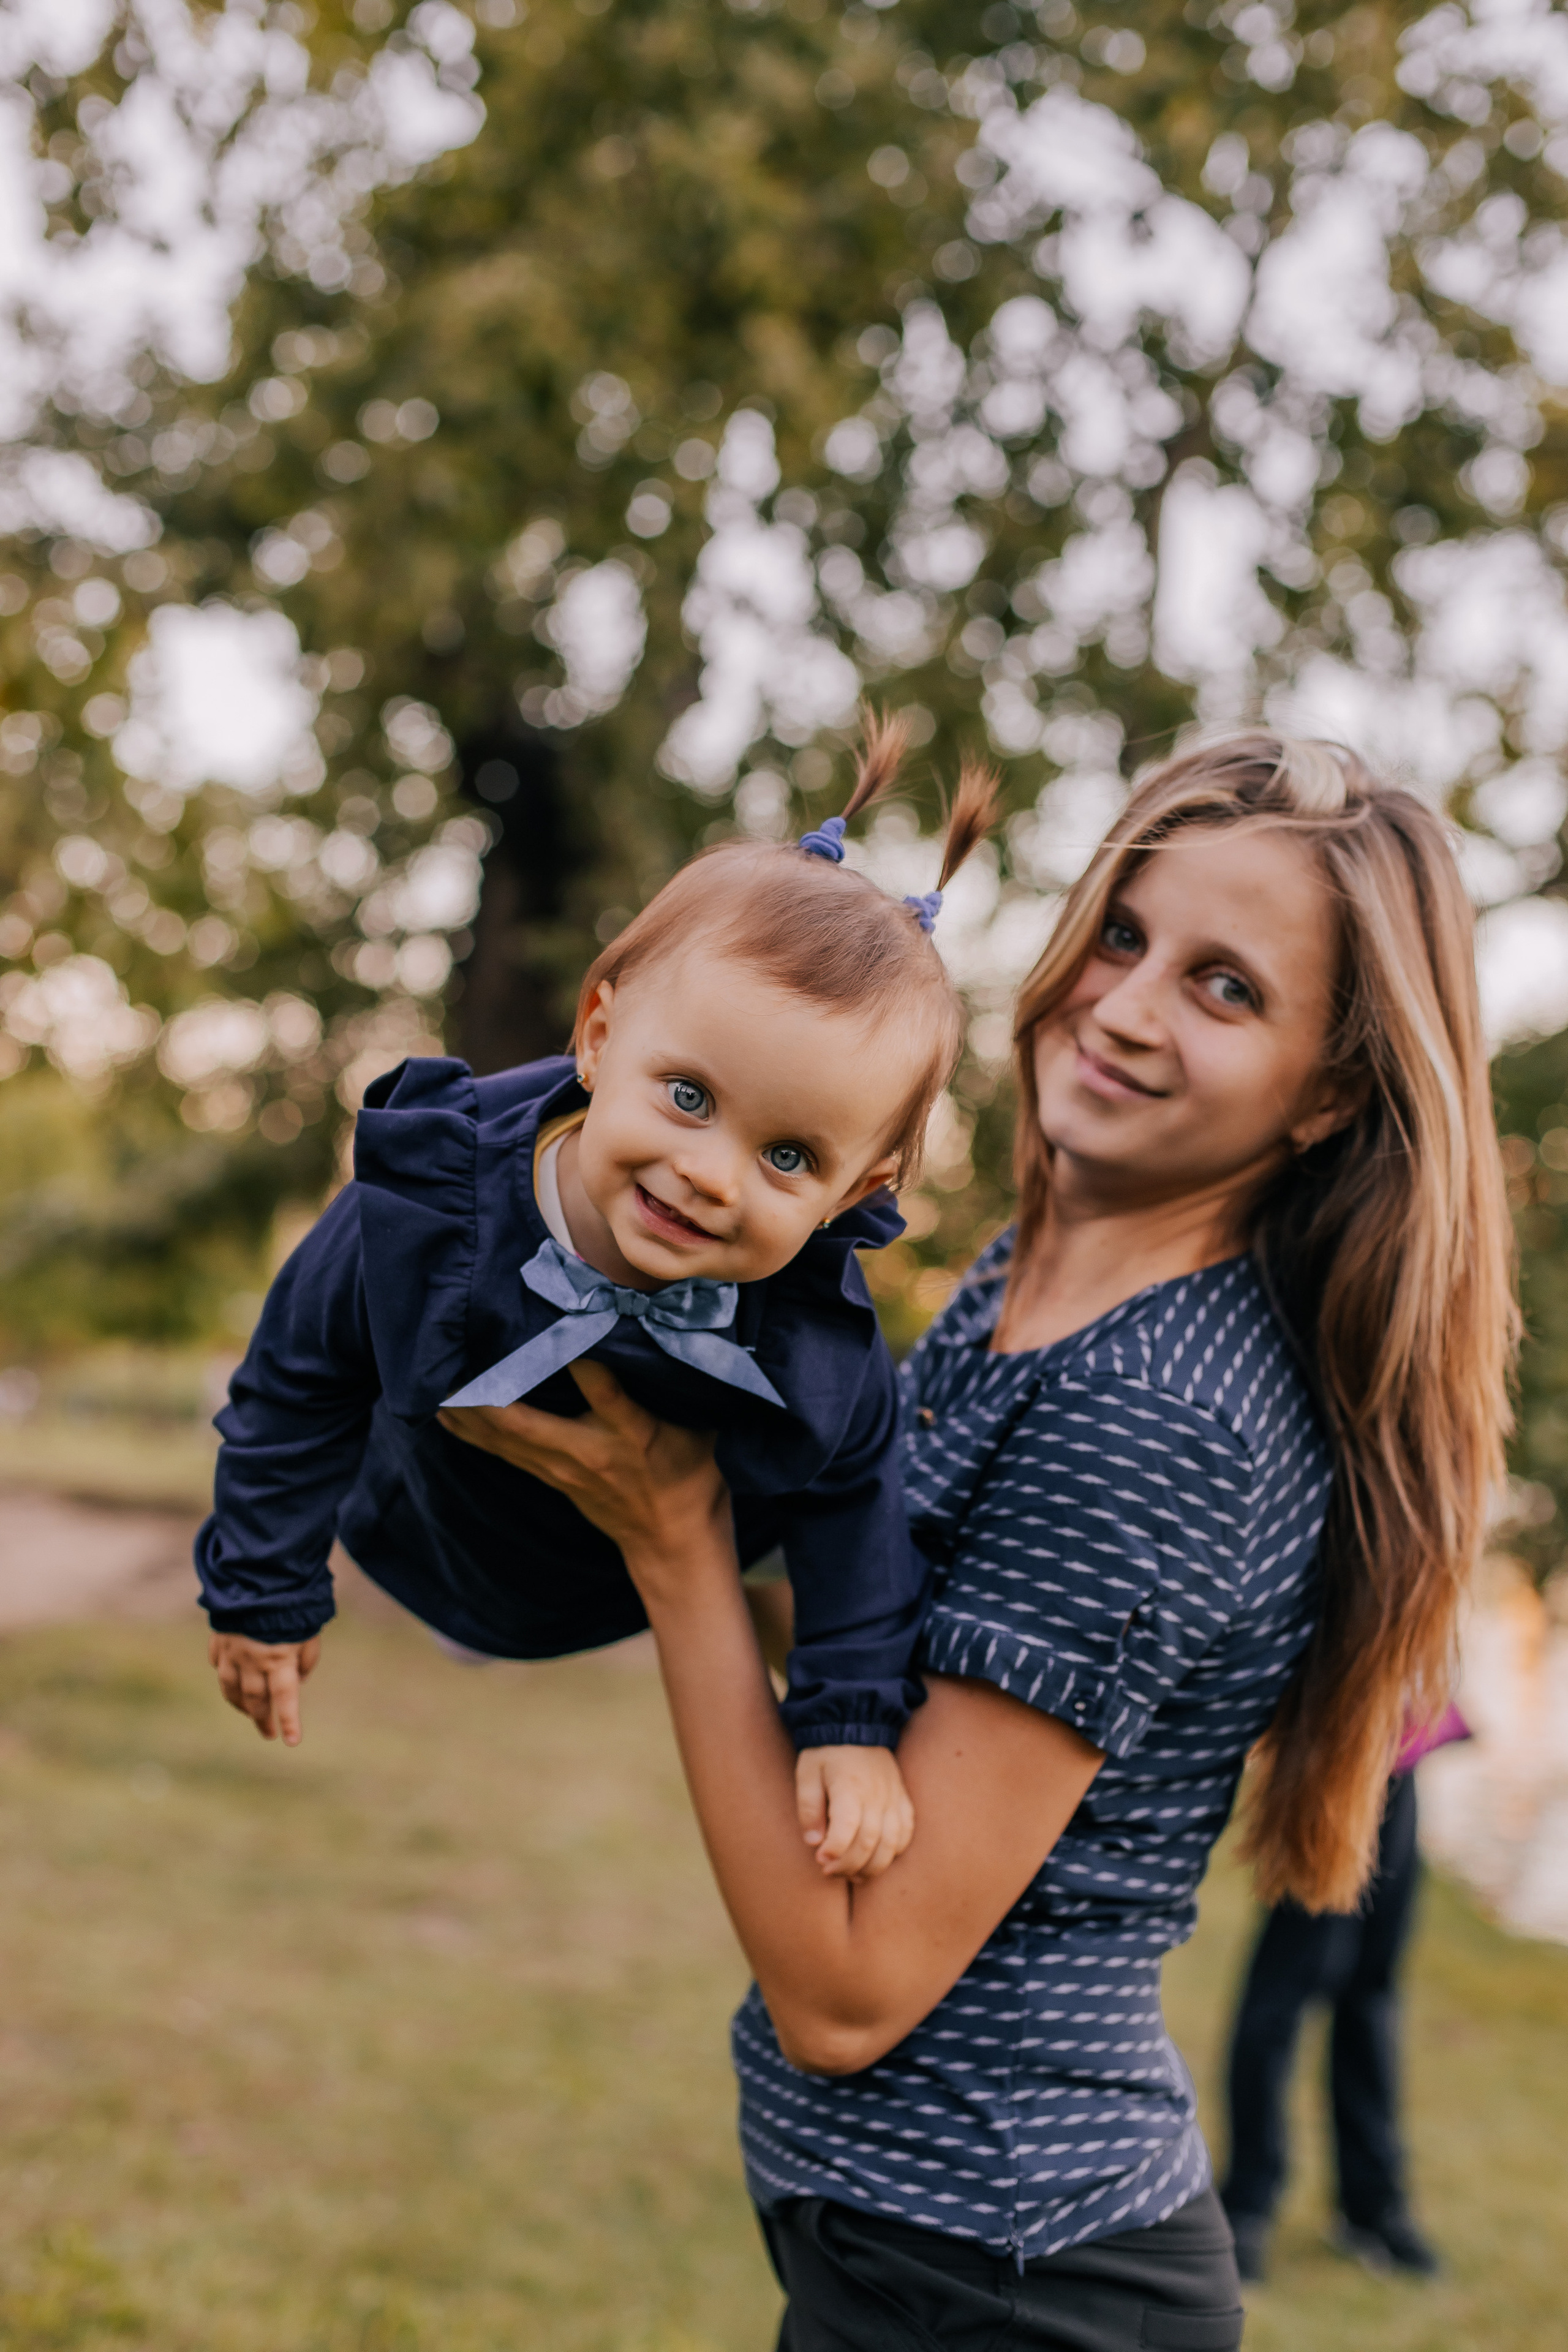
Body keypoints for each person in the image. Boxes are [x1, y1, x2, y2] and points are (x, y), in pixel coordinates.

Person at [439, 731, 1515, 2350]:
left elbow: (849, 1993)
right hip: (912, 2248)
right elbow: (875, 1657)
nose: (1125, 1006)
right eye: (1129, 934)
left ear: (1335, 1091)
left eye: (1228, 990)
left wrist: (675, 1549)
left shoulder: (1161, 1421)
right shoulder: (1031, 1274)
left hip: (1009, 2282)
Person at [196, 712, 998, 1881]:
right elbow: (293, 1381)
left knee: (838, 1493)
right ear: (598, 1032)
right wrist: (263, 1588)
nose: (710, 1175)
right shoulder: (426, 1200)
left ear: (856, 1190)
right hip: (420, 1524)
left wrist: (847, 1724)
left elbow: (856, 1512)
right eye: (686, 1095)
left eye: (788, 1159)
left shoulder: (818, 1331)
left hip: (623, 1584)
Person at [1219, 1704, 1471, 2282]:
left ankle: (1371, 2203)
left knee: (1373, 1990)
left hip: (1400, 1757)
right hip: (1335, 1752)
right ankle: (1248, 2202)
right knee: (1283, 1994)